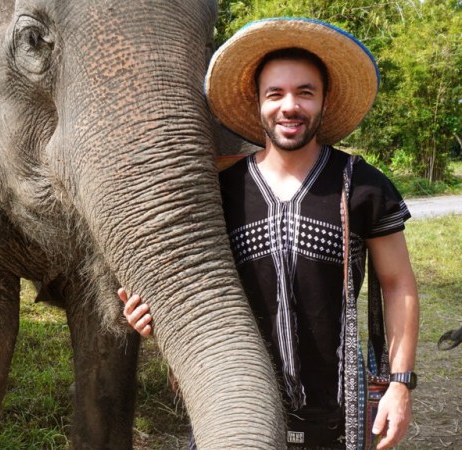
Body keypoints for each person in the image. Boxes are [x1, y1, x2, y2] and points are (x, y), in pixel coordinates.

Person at [119, 18, 419, 450]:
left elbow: (398, 284)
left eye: (305, 92)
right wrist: (152, 313)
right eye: (275, 93)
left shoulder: (363, 186)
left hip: (337, 408)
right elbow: (186, 281)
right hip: (236, 398)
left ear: (324, 101)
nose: (289, 106)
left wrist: (399, 384)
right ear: (257, 102)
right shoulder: (220, 191)